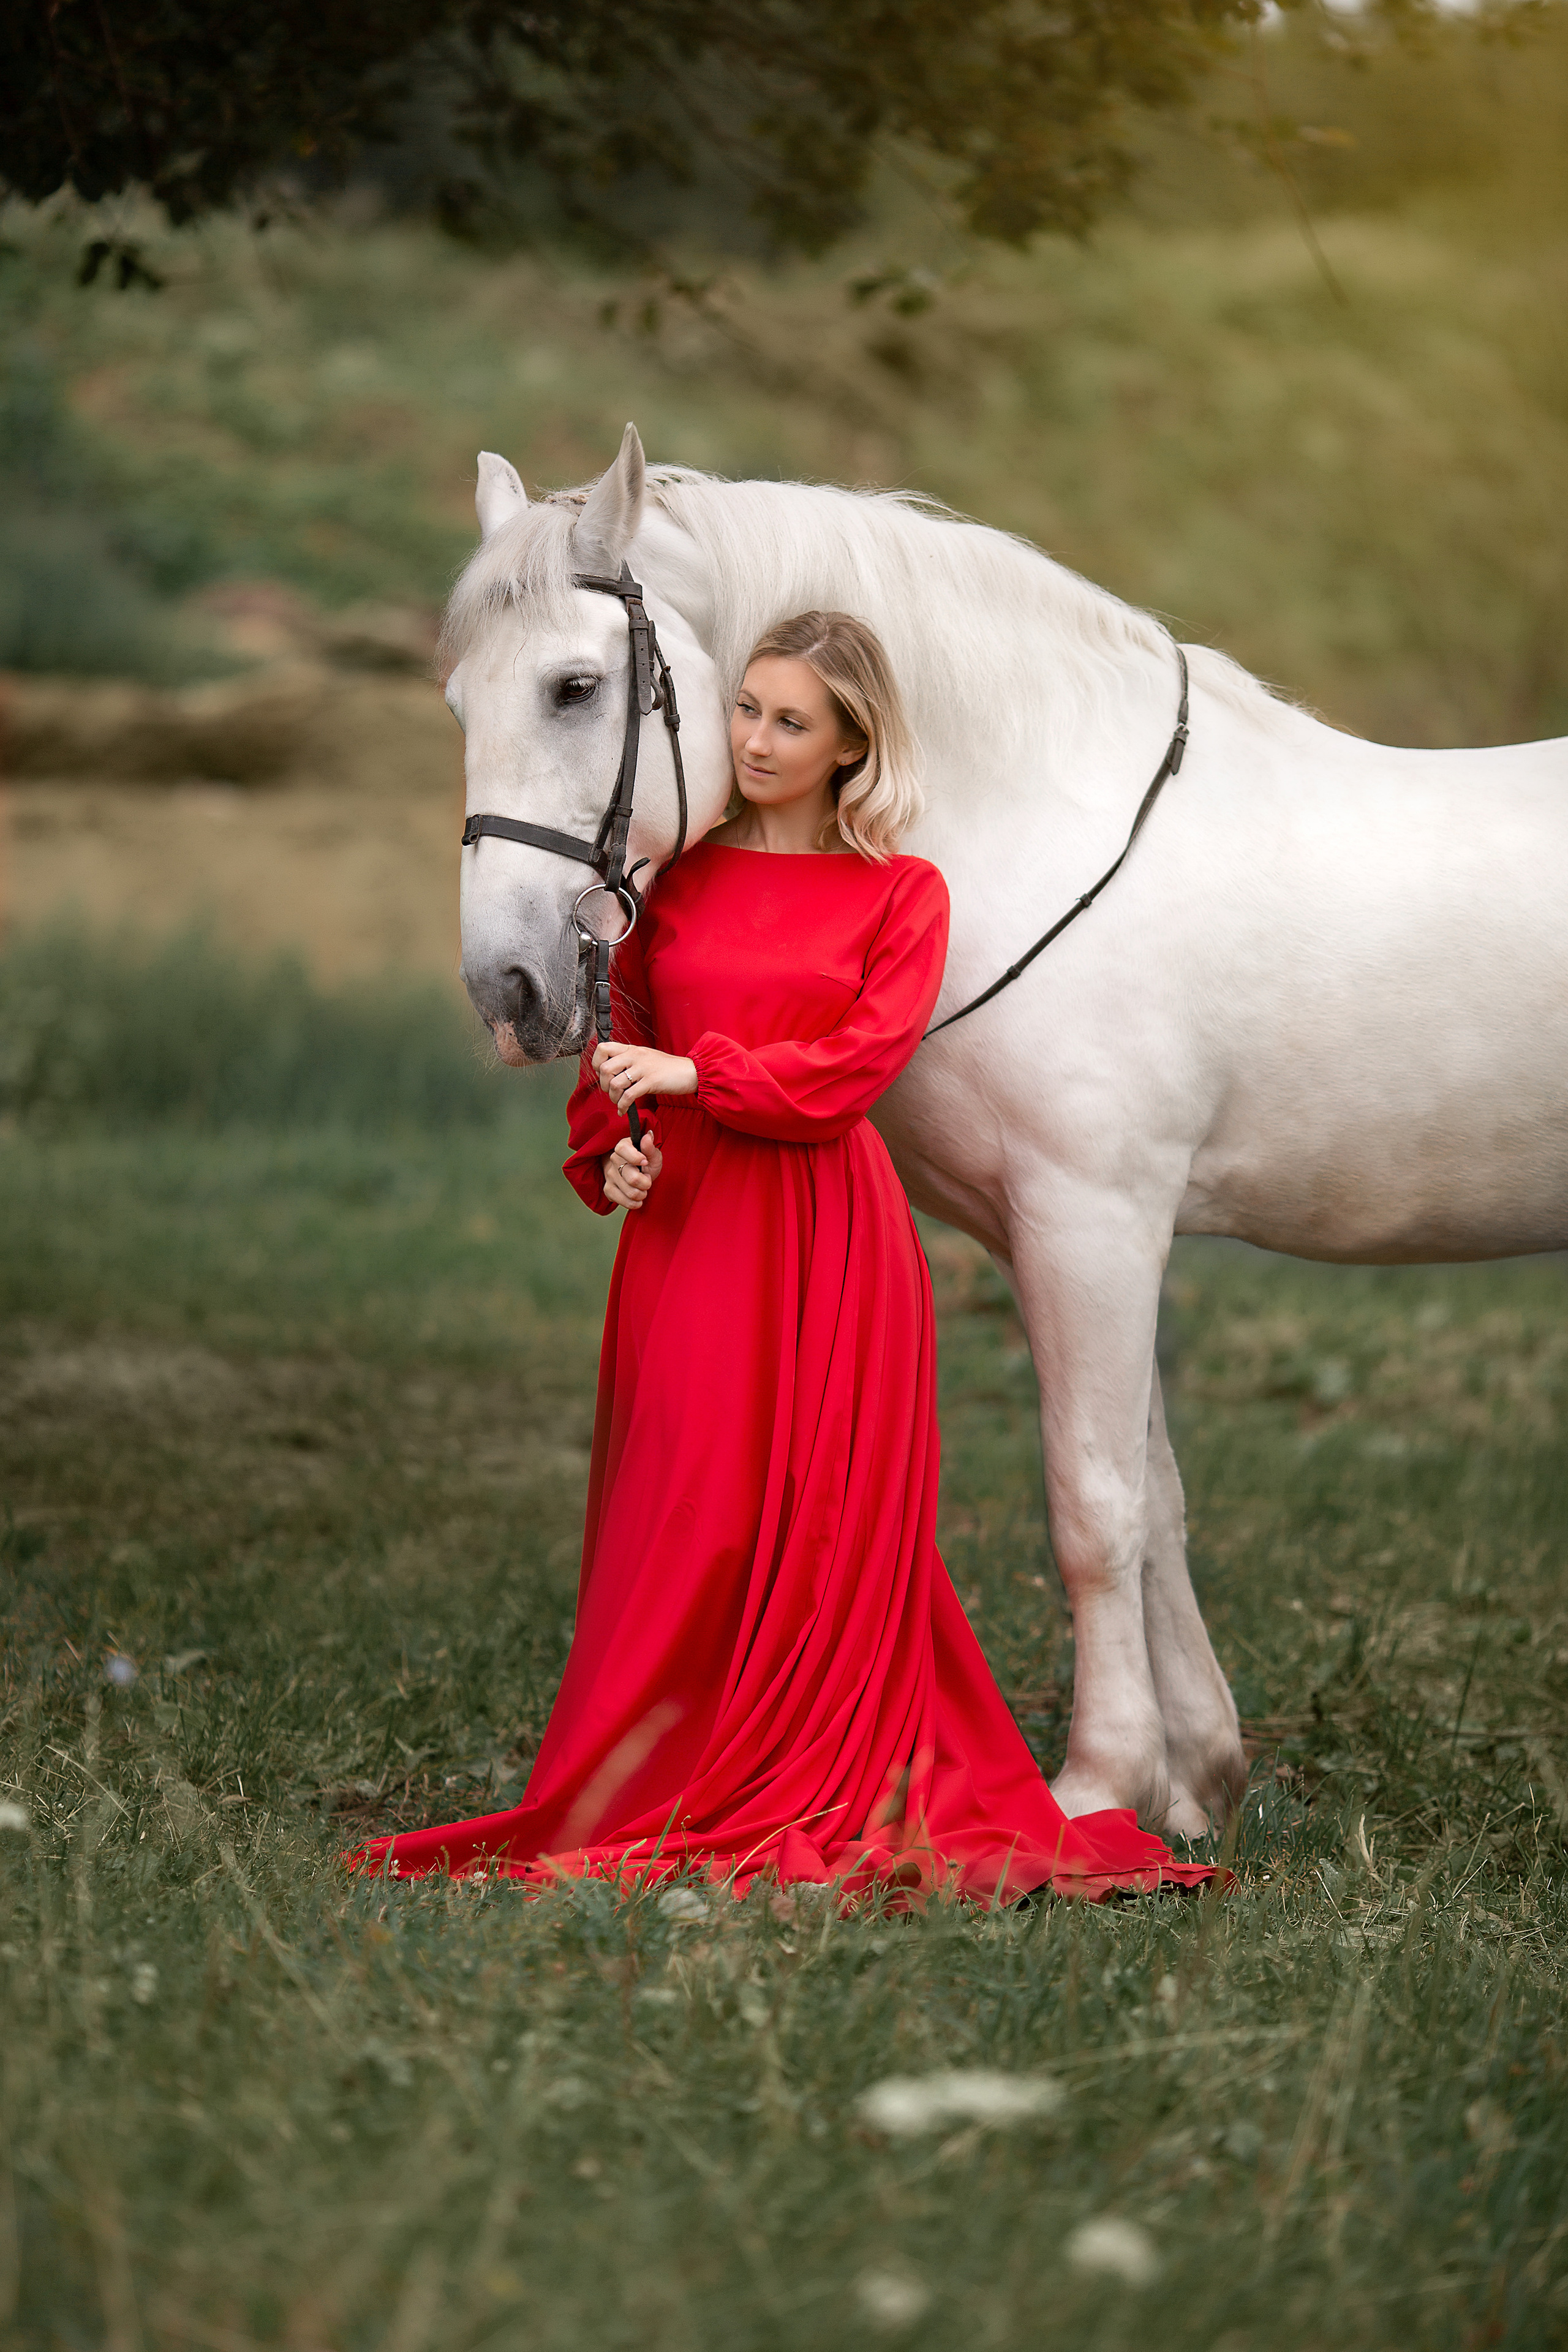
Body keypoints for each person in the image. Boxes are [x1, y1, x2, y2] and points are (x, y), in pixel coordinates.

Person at [353, 612, 1211, 1904]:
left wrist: (699, 1073)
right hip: (687, 1232)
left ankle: (813, 1762)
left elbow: (851, 1073)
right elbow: (616, 1048)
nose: (754, 741)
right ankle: (659, 1769)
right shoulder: (671, 886)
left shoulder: (899, 896)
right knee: (687, 1514)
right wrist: (617, 1149)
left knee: (817, 1515)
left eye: (789, 722)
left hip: (825, 1237)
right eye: (746, 709)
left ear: (848, 745)